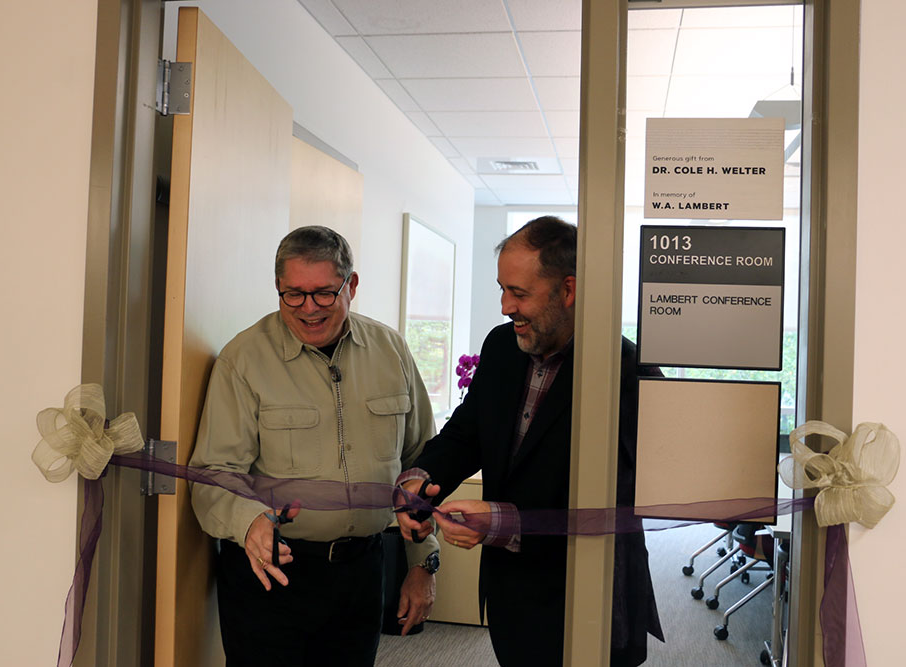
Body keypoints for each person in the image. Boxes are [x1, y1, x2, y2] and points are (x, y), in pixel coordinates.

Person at [396, 216, 663, 666]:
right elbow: (468, 432)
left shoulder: (630, 374)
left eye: (519, 293)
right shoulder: (502, 347)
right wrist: (422, 479)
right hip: (511, 599)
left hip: (590, 603)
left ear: (569, 290)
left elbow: (624, 502)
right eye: (502, 289)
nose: (504, 306)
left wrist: (503, 521)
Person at [190, 226, 440, 666]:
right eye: (294, 294)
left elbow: (421, 465)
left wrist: (423, 563)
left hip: (361, 573)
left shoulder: (392, 352)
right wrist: (248, 523)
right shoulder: (243, 359)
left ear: (352, 286)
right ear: (278, 288)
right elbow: (213, 473)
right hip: (271, 577)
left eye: (324, 293)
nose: (308, 309)